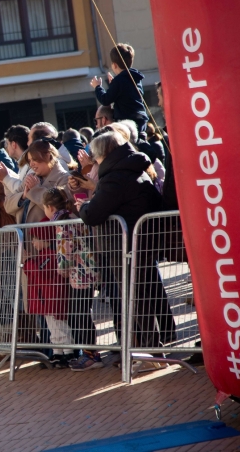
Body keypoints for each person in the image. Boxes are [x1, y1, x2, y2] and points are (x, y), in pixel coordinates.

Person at [75, 132, 176, 350]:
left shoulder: (115, 177)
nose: (95, 161)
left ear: (105, 154)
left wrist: (82, 207)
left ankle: (152, 349)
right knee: (147, 293)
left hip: (125, 246)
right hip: (139, 243)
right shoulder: (133, 169)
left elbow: (93, 213)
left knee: (137, 298)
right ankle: (159, 342)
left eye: (96, 157)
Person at [43, 187, 102, 370]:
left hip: (79, 273)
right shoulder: (73, 216)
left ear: (49, 207)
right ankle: (89, 353)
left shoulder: (62, 223)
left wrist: (62, 269)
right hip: (88, 269)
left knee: (79, 315)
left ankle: (90, 355)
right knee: (82, 313)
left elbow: (66, 250)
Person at [24, 221, 75, 370]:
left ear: (45, 239)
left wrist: (27, 262)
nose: (32, 242)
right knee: (54, 328)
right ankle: (58, 353)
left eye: (35, 238)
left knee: (59, 327)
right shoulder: (44, 255)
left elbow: (40, 274)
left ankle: (69, 353)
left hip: (51, 299)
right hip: (46, 299)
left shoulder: (50, 256)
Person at [4, 140, 73, 224]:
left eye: (34, 159)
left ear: (47, 156)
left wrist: (35, 190)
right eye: (29, 160)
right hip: (24, 235)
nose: (31, 164)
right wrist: (23, 196)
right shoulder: (31, 177)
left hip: (47, 236)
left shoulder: (65, 178)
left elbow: (59, 210)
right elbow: (7, 205)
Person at [91, 43, 148, 132]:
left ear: (114, 65)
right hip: (141, 119)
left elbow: (105, 100)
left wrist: (97, 87)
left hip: (128, 123)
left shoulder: (119, 81)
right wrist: (113, 84)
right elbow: (126, 94)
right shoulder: (135, 77)